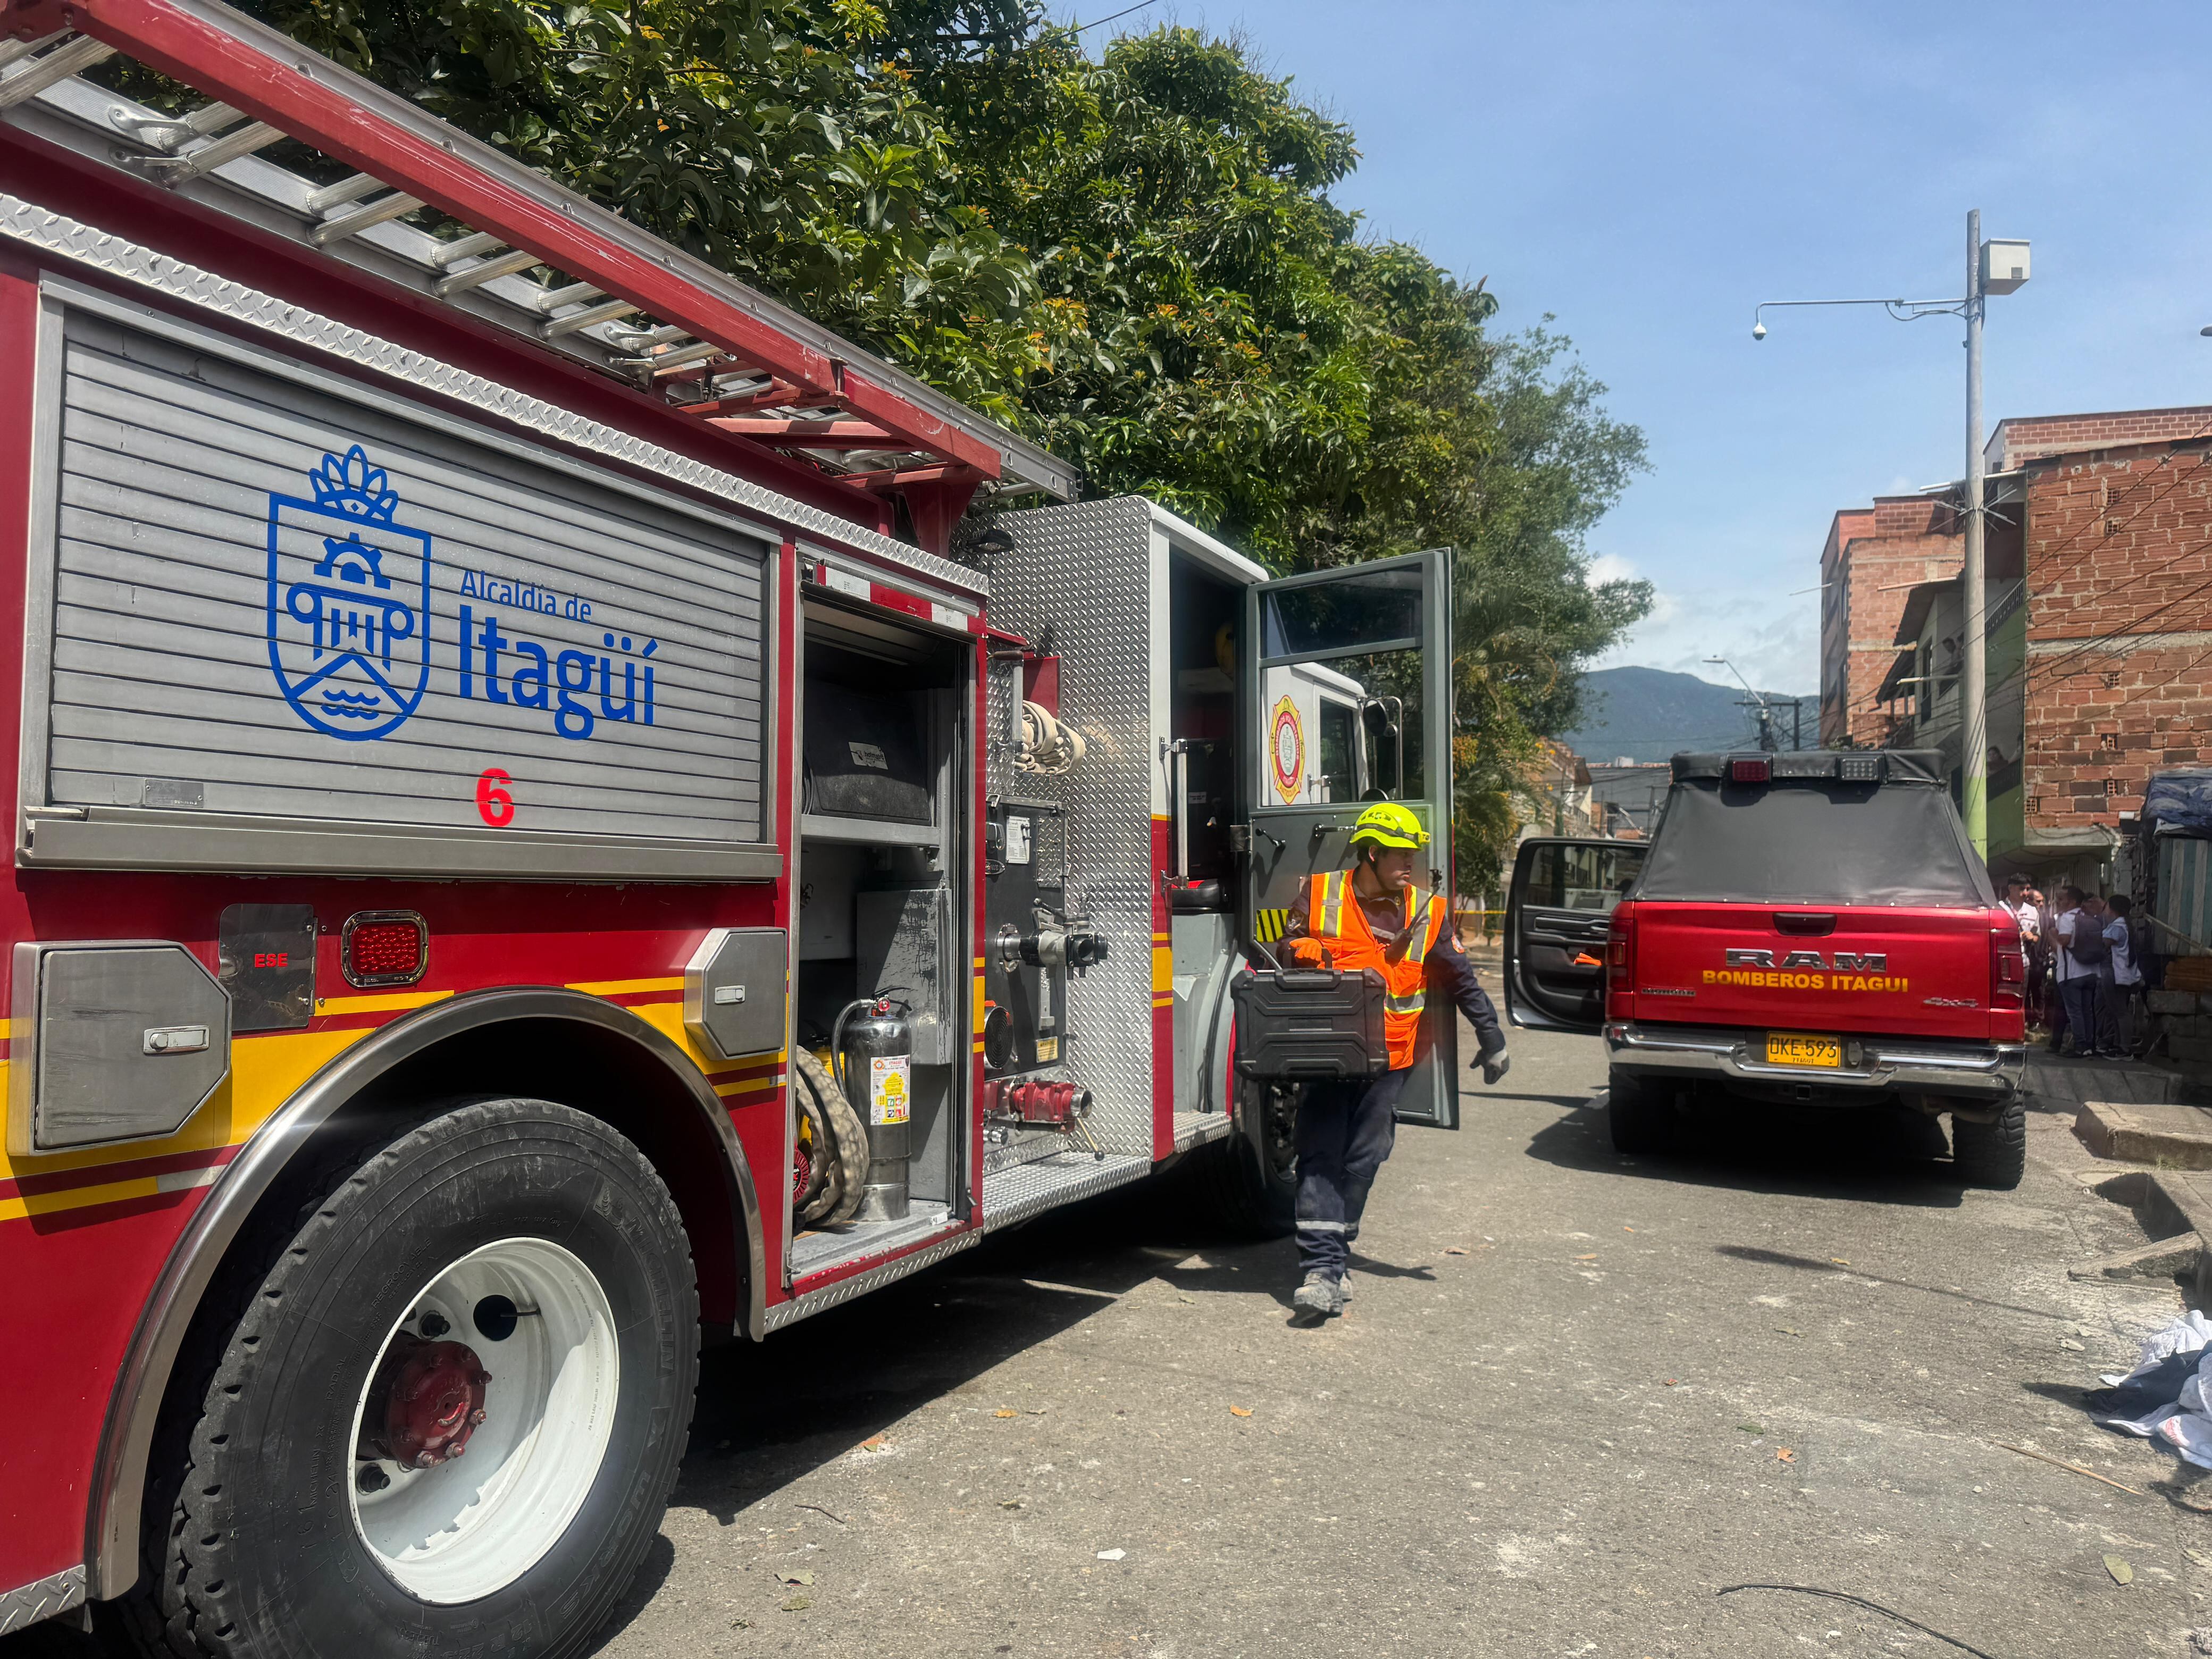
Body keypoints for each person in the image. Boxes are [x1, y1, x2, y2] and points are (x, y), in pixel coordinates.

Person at [1279, 801, 1510, 1319]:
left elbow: (1460, 977)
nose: (1410, 865)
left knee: (1365, 1157)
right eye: (1400, 855)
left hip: (1390, 1058)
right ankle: (1321, 1269)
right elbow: (1284, 947)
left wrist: (1490, 1035)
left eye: (1413, 855)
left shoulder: (1426, 910)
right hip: (1327, 1049)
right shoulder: (1318, 893)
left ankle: (1334, 1252)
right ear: (1370, 853)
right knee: (1318, 1151)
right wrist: (1302, 951)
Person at [2051, 886, 2108, 1058]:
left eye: (2061, 899)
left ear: (2073, 902)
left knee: (2075, 1012)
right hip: (2091, 972)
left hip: (2071, 974)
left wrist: (2053, 935)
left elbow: (2065, 940)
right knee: (2087, 1011)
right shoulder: (2091, 919)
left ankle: (2080, 1046)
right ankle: (2090, 1045)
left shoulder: (2066, 919)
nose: (2058, 903)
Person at [2101, 894, 2146, 1058]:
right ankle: (2119, 1045)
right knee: (2117, 1011)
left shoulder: (2116, 928)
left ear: (2112, 909)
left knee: (2120, 1011)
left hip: (2116, 974)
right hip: (2124, 974)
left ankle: (2125, 1048)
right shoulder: (2125, 926)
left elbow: (2103, 945)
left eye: (2105, 907)